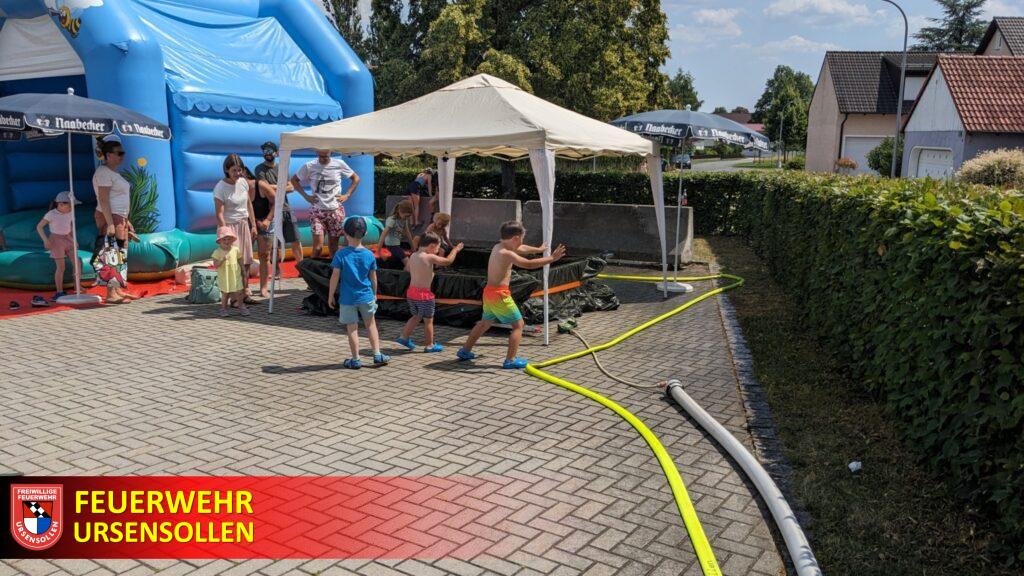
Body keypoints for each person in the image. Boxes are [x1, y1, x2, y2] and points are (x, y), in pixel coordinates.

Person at [455, 221, 566, 369]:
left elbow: (521, 248)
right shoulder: (506, 253)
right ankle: (510, 360)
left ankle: (465, 351)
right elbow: (528, 264)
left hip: (489, 293)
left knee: (484, 323)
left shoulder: (498, 247)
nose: (522, 242)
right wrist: (552, 258)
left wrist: (539, 249)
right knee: (518, 325)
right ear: (515, 238)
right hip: (499, 295)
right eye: (521, 239)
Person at [328, 217, 389, 369]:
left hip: (347, 298)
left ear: (345, 233)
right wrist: (374, 294)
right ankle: (377, 354)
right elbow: (373, 277)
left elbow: (335, 276)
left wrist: (330, 295)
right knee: (371, 325)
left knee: (352, 328)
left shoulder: (340, 254)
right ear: (365, 233)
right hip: (366, 296)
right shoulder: (369, 254)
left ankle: (355, 359)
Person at [395, 233, 465, 353]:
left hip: (411, 293)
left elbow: (409, 269)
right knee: (428, 320)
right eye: (438, 248)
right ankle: (429, 345)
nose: (438, 251)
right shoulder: (429, 257)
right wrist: (455, 250)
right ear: (432, 246)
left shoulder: (413, 255)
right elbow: (448, 261)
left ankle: (404, 337)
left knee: (416, 316)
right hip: (424, 296)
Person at [291, 149, 358, 259]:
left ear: (330, 153)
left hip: (335, 210)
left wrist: (347, 195)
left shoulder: (339, 164)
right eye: (320, 156)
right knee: (318, 248)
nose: (323, 159)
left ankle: (333, 268)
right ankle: (311, 268)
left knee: (333, 247)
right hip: (317, 211)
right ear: (317, 154)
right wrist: (306, 196)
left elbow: (356, 178)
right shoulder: (309, 166)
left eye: (325, 157)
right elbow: (294, 180)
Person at [213, 154, 258, 303]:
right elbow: (219, 213)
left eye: (240, 170)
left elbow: (249, 204)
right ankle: (233, 298)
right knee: (233, 263)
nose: (238, 173)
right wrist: (225, 234)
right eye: (234, 170)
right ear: (227, 169)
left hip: (243, 224)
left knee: (246, 262)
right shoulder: (220, 187)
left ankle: (244, 293)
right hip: (229, 227)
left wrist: (253, 225)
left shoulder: (243, 182)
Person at [93, 135, 132, 302]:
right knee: (111, 253)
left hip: (118, 216)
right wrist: (110, 223)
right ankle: (110, 293)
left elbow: (119, 198)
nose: (122, 156)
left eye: (123, 153)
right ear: (108, 155)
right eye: (119, 153)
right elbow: (103, 199)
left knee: (119, 253)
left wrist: (126, 220)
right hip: (111, 216)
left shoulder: (112, 173)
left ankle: (116, 289)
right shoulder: (103, 172)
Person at [36, 191, 77, 301]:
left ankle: (77, 285)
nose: (72, 207)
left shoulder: (70, 212)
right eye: (71, 205)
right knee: (61, 267)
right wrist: (46, 241)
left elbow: (71, 225)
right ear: (61, 204)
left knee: (77, 263)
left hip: (67, 238)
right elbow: (39, 227)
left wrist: (73, 239)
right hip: (56, 240)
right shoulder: (51, 214)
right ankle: (59, 291)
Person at [212, 226, 248, 317]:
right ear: (219, 241)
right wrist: (221, 260)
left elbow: (240, 259)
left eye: (229, 239)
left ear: (232, 240)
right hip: (225, 276)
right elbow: (215, 264)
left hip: (235, 274)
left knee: (239, 292)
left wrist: (243, 269)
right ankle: (223, 309)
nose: (227, 241)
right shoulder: (217, 252)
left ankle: (241, 306)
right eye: (224, 239)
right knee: (225, 293)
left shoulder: (235, 249)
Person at [377, 200, 415, 269]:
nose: (407, 218)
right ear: (399, 211)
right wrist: (379, 251)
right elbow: (383, 235)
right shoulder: (392, 220)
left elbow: (408, 234)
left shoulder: (403, 220)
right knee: (408, 262)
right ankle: (406, 273)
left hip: (396, 245)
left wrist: (413, 247)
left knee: (402, 258)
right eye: (406, 216)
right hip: (391, 246)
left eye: (409, 216)